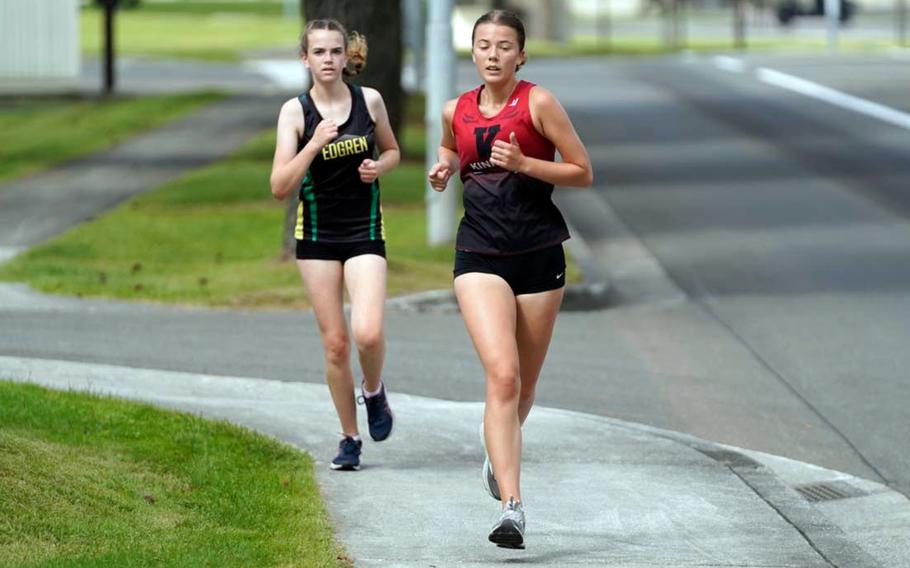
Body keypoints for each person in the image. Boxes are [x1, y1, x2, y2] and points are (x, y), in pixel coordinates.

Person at [428, 9, 593, 549]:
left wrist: (525, 163)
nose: (492, 54)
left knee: (524, 383)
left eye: (504, 45)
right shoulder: (455, 109)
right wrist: (444, 166)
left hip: (540, 254)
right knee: (502, 376)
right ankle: (512, 508)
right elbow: (453, 147)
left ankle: (496, 447)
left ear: (520, 54)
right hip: (478, 252)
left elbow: (581, 170)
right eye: (483, 45)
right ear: (472, 53)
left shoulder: (538, 103)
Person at [270, 19, 400, 471]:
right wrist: (313, 144)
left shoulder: (370, 101)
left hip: (364, 229)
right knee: (335, 345)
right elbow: (279, 186)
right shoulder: (295, 112)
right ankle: (349, 438)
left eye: (335, 51)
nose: (328, 60)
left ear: (348, 56)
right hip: (317, 235)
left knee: (367, 331)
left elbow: (393, 151)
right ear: (305, 58)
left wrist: (379, 168)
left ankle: (374, 390)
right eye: (319, 52)